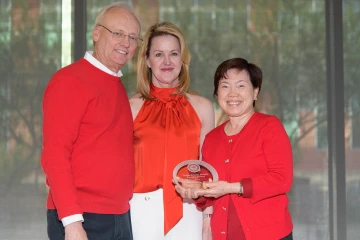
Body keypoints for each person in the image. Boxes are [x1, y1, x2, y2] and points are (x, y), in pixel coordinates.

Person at [41, 3, 141, 240]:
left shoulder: (116, 86)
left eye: (133, 37)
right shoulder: (70, 80)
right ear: (96, 33)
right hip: (82, 218)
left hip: (119, 215)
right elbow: (55, 154)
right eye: (117, 33)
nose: (125, 43)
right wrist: (72, 222)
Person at [176, 58, 294, 240]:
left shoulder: (269, 127)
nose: (232, 93)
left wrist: (231, 188)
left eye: (240, 86)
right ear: (217, 93)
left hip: (269, 233)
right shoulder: (212, 138)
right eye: (225, 86)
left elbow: (282, 179)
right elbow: (210, 191)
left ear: (255, 92)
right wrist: (195, 192)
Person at [129, 21, 215, 240]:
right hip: (140, 212)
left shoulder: (203, 107)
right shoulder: (130, 107)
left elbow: (208, 168)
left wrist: (207, 221)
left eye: (174, 53)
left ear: (182, 58)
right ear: (147, 60)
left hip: (190, 211)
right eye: (158, 54)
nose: (167, 62)